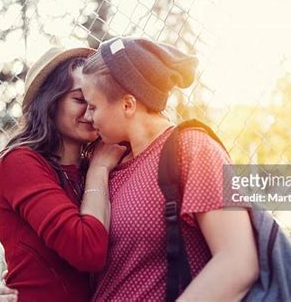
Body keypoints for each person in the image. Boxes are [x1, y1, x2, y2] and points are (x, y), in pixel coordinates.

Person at [80, 37, 259, 301]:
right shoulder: (112, 163)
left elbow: (238, 262)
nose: (87, 116)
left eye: (93, 106)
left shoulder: (192, 149)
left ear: (128, 105)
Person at [0, 47, 126, 302]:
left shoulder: (93, 165)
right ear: (50, 102)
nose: (90, 113)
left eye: (95, 101)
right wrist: (98, 171)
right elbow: (87, 250)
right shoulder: (20, 164)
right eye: (80, 100)